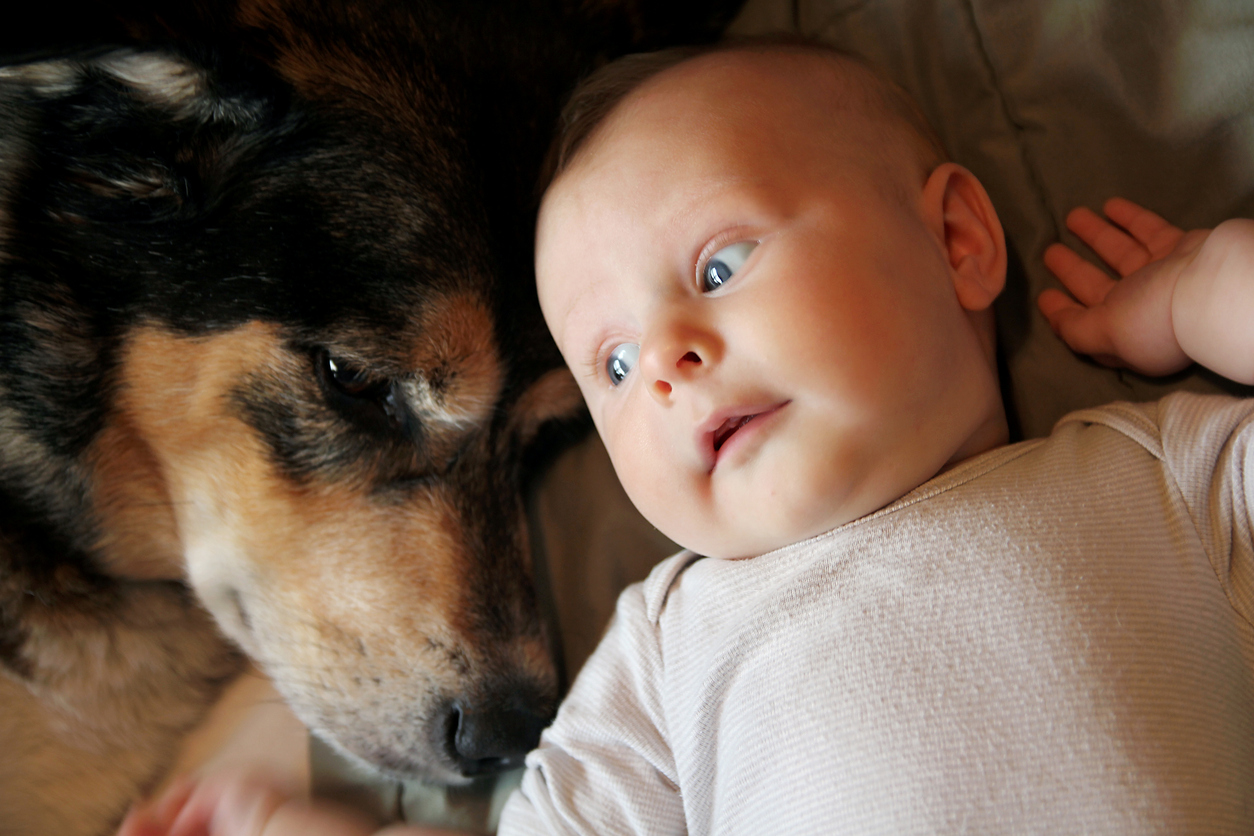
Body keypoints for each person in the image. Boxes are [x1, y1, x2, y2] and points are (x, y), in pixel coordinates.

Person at [118, 40, 1254, 836]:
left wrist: (1201, 290)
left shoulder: (1158, 476)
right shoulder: (666, 647)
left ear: (956, 239)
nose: (663, 360)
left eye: (719, 266)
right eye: (611, 364)